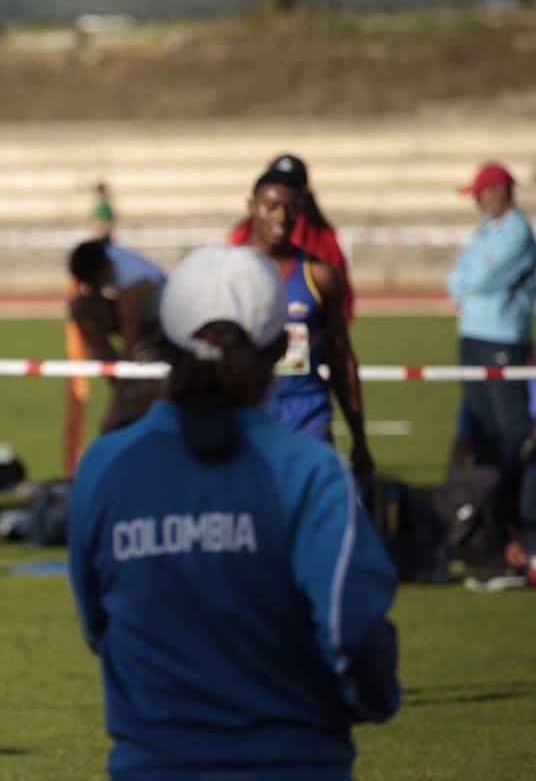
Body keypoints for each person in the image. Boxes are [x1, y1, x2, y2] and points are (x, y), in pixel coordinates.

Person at [69, 244, 400, 781]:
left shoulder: (103, 467)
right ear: (277, 349)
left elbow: (97, 628)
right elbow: (353, 631)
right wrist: (374, 700)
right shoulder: (311, 470)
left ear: (165, 344)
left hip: (153, 762)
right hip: (296, 760)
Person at [243, 166, 374, 481]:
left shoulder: (320, 276)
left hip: (306, 412)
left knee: (312, 511)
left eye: (291, 208)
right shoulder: (229, 273)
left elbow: (341, 357)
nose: (281, 216)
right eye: (271, 206)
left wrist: (360, 440)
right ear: (252, 208)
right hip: (248, 411)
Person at [446, 161, 536, 585]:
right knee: (482, 435)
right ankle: (496, 535)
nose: (477, 201)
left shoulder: (517, 233)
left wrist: (468, 281)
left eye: (481, 193)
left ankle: (525, 529)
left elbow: (479, 276)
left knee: (516, 435)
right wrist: (467, 281)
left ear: (498, 190)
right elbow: (458, 278)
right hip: (472, 336)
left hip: (501, 338)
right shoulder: (485, 233)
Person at [230, 153, 356, 322]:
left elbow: (338, 299)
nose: (281, 215)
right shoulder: (243, 233)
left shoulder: (323, 237)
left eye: (291, 186)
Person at [65, 239, 166, 434]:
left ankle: (136, 405)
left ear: (105, 270)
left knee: (145, 389)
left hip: (161, 328)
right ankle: (122, 382)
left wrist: (114, 408)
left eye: (94, 283)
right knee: (80, 306)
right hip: (138, 320)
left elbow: (130, 350)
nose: (93, 288)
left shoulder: (132, 286)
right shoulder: (103, 256)